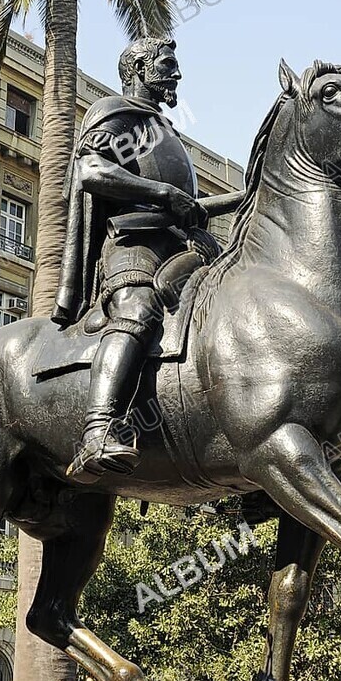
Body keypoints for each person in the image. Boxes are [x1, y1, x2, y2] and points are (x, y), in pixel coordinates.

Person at [52, 36, 242, 479]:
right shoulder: (115, 114)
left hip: (180, 247)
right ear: (139, 68)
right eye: (167, 64)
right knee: (137, 309)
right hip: (132, 243)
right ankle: (98, 427)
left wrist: (246, 196)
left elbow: (188, 207)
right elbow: (89, 169)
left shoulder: (166, 131)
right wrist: (163, 193)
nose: (176, 74)